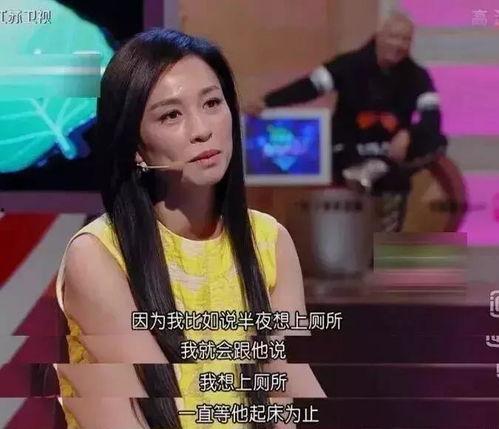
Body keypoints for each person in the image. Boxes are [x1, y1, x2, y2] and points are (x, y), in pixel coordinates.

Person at [53, 28, 325, 429]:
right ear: (135, 147)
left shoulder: (270, 241)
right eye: (171, 115)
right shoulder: (97, 254)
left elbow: (278, 402)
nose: (202, 129)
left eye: (212, 103)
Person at [245, 11, 448, 232]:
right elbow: (308, 87)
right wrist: (267, 102)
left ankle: (379, 172)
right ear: (379, 36)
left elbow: (432, 117)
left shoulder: (418, 76)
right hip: (350, 150)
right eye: (393, 37)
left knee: (437, 142)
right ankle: (367, 176)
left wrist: (409, 133)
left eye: (405, 39)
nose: (398, 45)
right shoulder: (348, 64)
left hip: (390, 154)